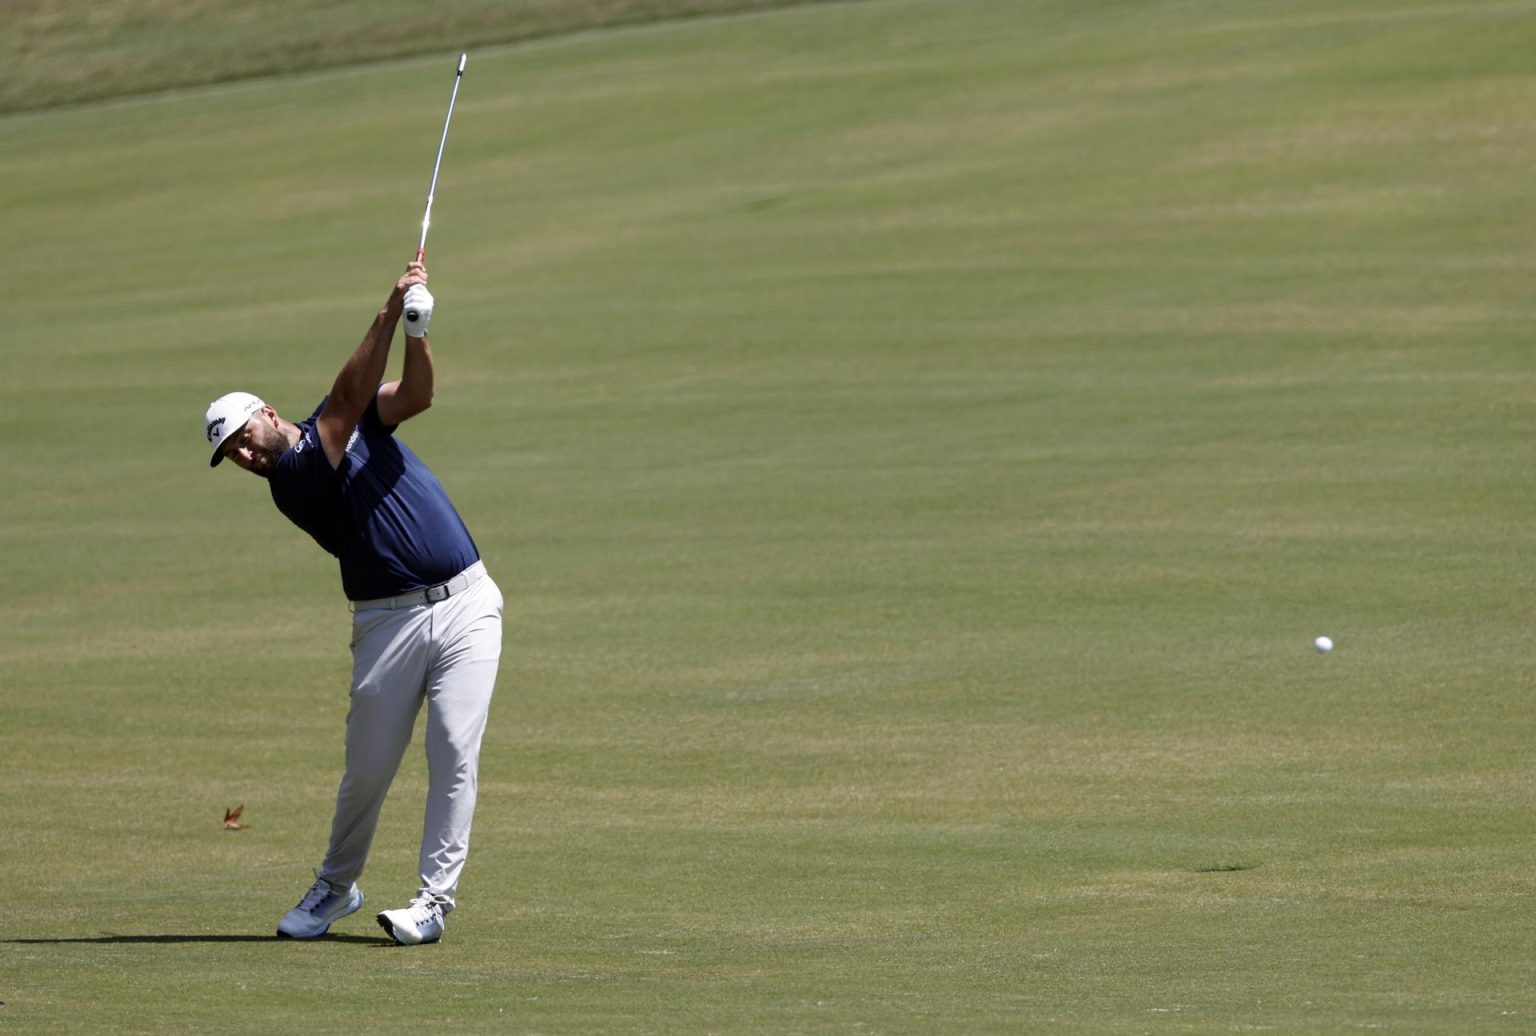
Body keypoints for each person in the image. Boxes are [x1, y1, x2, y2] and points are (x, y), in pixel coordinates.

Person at [202, 261, 502, 946]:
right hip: (386, 625)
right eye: (233, 456)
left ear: (267, 415)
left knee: (455, 748)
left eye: (244, 436)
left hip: (468, 604)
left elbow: (417, 396)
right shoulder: (295, 480)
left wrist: (418, 329)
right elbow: (347, 396)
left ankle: (433, 903)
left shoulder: (346, 424)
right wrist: (391, 307)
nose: (245, 455)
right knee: (367, 772)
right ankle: (335, 887)